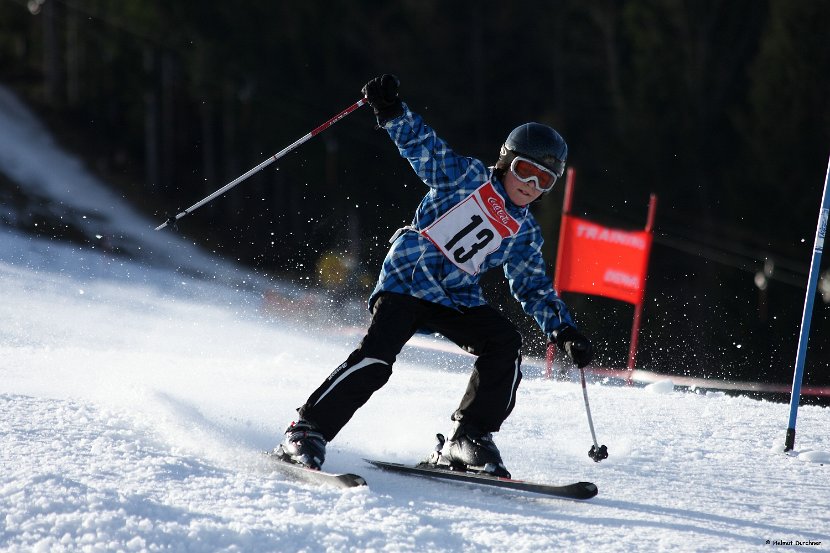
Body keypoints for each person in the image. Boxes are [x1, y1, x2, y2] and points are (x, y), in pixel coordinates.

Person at [275, 74, 593, 477]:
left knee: (504, 345)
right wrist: (391, 110)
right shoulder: (466, 178)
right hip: (409, 278)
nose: (530, 186)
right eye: (525, 172)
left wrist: (563, 331)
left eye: (543, 181)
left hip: (455, 297)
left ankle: (468, 437)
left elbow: (531, 285)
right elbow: (423, 147)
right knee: (377, 359)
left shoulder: (525, 231)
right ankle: (307, 430)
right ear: (506, 161)